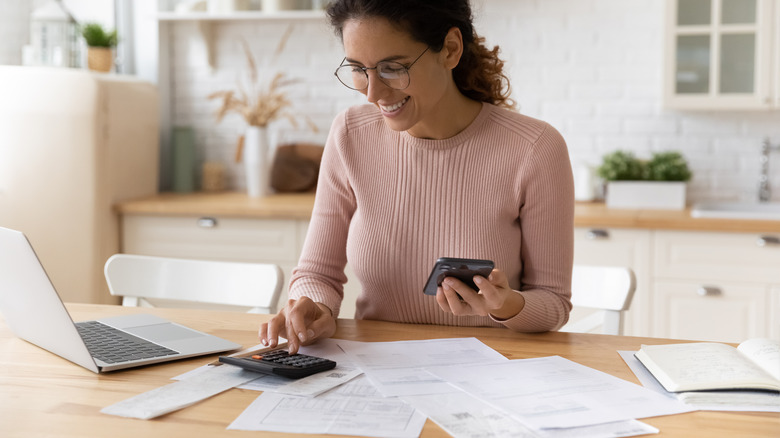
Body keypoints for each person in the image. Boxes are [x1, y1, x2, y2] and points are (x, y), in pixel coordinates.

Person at [260, 0, 574, 353]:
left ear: (450, 49)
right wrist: (313, 307)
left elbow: (553, 304)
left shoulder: (535, 148)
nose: (372, 92)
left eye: (393, 67)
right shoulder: (350, 134)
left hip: (492, 371)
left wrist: (505, 305)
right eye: (359, 69)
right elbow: (317, 274)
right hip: (378, 368)